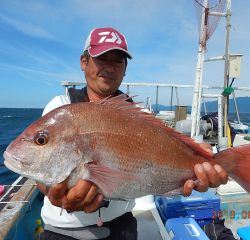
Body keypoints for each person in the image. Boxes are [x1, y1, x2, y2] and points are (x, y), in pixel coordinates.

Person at [38, 27, 228, 240]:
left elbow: (169, 157)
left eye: (118, 60)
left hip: (122, 228)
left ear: (125, 69)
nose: (109, 67)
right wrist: (50, 192)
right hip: (62, 232)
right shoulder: (61, 109)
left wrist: (200, 164)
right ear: (84, 61)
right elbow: (42, 173)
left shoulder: (142, 116)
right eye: (102, 58)